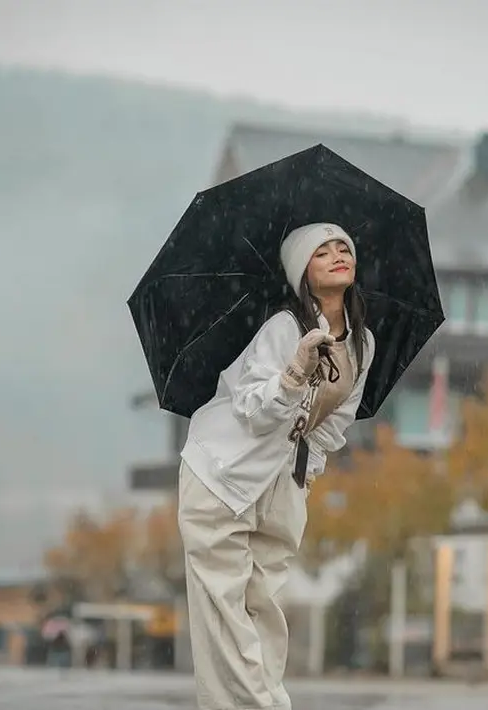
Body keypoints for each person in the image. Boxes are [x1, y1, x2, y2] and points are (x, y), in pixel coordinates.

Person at [178, 222, 375, 710]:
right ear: (302, 272)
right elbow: (253, 409)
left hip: (283, 486)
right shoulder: (284, 328)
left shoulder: (362, 344)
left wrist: (303, 480)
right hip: (222, 474)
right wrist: (296, 370)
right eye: (321, 251)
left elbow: (335, 424)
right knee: (224, 610)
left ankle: (267, 699)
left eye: (343, 248)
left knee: (263, 606)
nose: (336, 255)